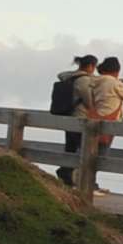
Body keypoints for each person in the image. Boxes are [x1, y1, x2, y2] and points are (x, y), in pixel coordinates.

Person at [71, 54, 123, 195]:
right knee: (98, 155)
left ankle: (85, 183)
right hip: (106, 123)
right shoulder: (113, 83)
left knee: (86, 152)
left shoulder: (93, 81)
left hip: (90, 119)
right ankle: (86, 185)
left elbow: (91, 100)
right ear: (116, 70)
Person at [49, 53, 97, 184]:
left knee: (71, 147)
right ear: (90, 66)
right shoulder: (83, 81)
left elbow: (61, 74)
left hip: (68, 116)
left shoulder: (68, 77)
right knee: (85, 148)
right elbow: (89, 101)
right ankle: (85, 181)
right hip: (80, 118)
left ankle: (67, 176)